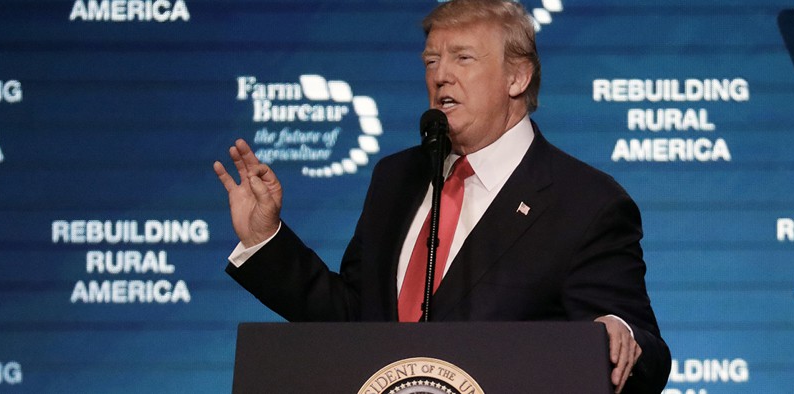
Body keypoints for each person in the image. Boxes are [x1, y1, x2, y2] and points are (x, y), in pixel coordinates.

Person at [213, 0, 671, 392]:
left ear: (517, 77)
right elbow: (354, 322)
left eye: (463, 58)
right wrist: (266, 237)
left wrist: (618, 335)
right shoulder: (397, 178)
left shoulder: (584, 202)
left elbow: (647, 353)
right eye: (431, 62)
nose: (441, 76)